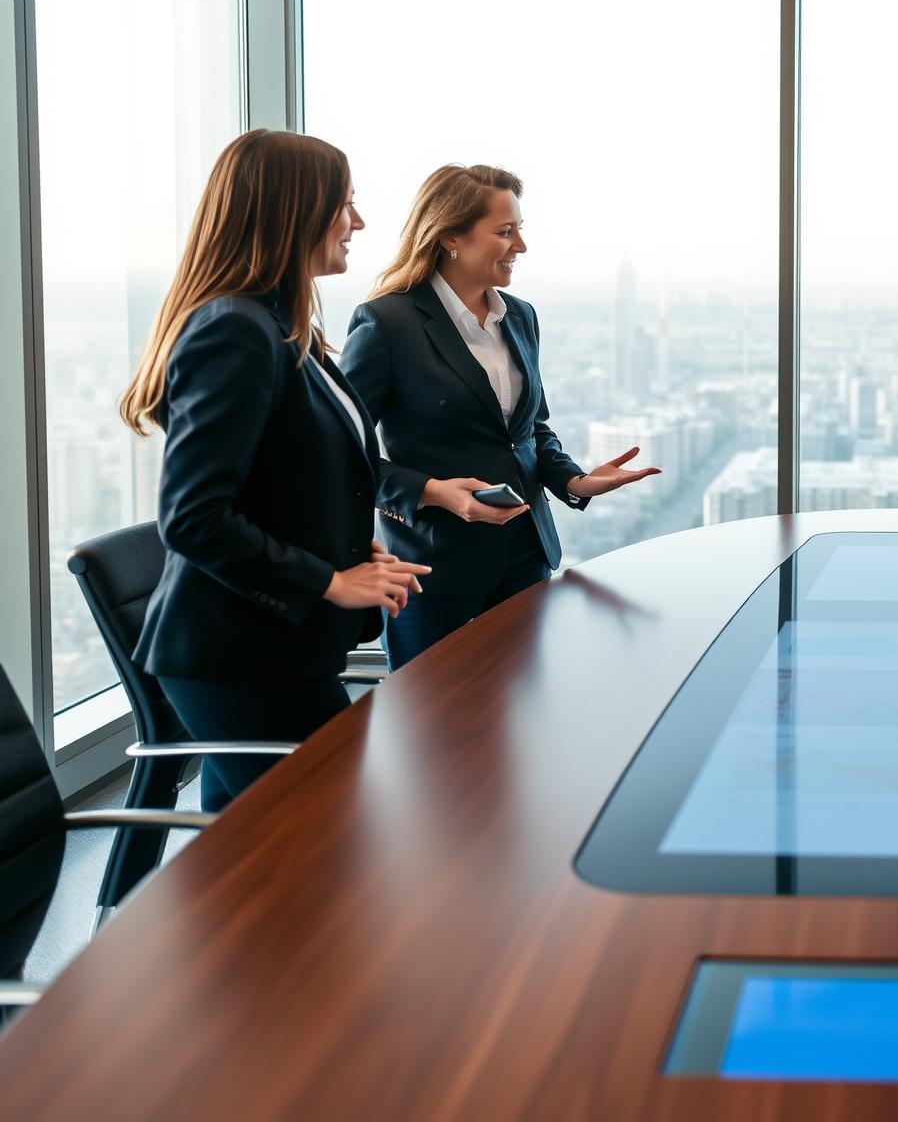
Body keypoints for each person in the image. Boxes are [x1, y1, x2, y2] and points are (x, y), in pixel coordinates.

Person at [121, 130, 430, 811]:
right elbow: (194, 517)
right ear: (294, 211)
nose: (359, 222)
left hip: (272, 651)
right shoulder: (235, 330)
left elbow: (287, 478)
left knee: (250, 866)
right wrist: (328, 578)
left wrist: (347, 549)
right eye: (344, 203)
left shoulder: (282, 327)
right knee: (328, 847)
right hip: (240, 661)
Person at [339, 164, 659, 670]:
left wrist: (575, 481)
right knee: (430, 730)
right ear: (450, 237)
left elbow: (530, 430)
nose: (521, 248)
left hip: (524, 557)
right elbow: (339, 454)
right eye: (505, 232)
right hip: (432, 568)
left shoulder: (521, 316)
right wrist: (432, 491)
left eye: (520, 231)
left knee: (519, 719)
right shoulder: (387, 322)